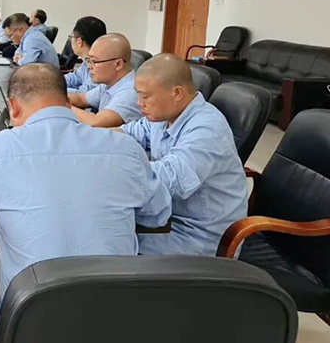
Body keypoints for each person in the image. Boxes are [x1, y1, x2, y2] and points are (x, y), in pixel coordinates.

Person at [0, 63, 171, 335]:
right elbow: (158, 214)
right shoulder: (126, 149)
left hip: (30, 328)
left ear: (13, 107)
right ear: (68, 104)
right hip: (116, 325)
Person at [119, 54, 247, 256]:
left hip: (200, 237)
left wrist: (110, 169)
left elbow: (170, 178)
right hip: (169, 216)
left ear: (177, 93)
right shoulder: (165, 114)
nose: (139, 103)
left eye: (145, 96)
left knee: (111, 245)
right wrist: (87, 139)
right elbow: (129, 133)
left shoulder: (206, 129)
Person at [68, 33, 141, 127]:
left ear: (118, 64)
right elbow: (81, 99)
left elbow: (95, 122)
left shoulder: (130, 92)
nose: (89, 67)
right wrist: (55, 97)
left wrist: (62, 104)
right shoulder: (109, 84)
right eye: (89, 61)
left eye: (94, 61)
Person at [65, 16, 107, 94]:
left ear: (79, 42)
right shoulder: (86, 62)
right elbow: (73, 78)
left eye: (71, 37)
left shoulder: (99, 66)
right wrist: (51, 82)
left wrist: (54, 89)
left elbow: (83, 94)